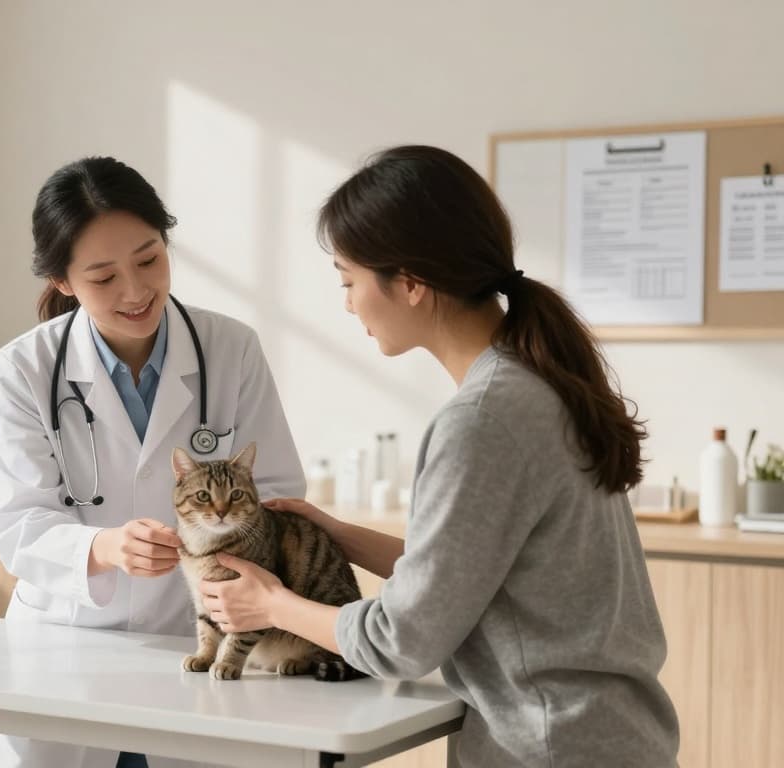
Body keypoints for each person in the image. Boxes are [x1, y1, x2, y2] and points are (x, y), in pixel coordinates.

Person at [199, 145, 680, 766]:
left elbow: (402, 640)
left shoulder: (482, 421)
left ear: (410, 283)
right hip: (605, 738)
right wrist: (339, 535)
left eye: (349, 281)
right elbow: (478, 576)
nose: (346, 304)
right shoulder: (538, 385)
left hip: (549, 747)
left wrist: (271, 605)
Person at [0, 156, 305, 768]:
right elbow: (17, 522)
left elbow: (281, 492)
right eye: (103, 277)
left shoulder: (230, 349)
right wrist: (101, 549)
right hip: (64, 650)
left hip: (197, 641)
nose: (135, 291)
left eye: (150, 259)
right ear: (63, 281)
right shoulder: (22, 369)